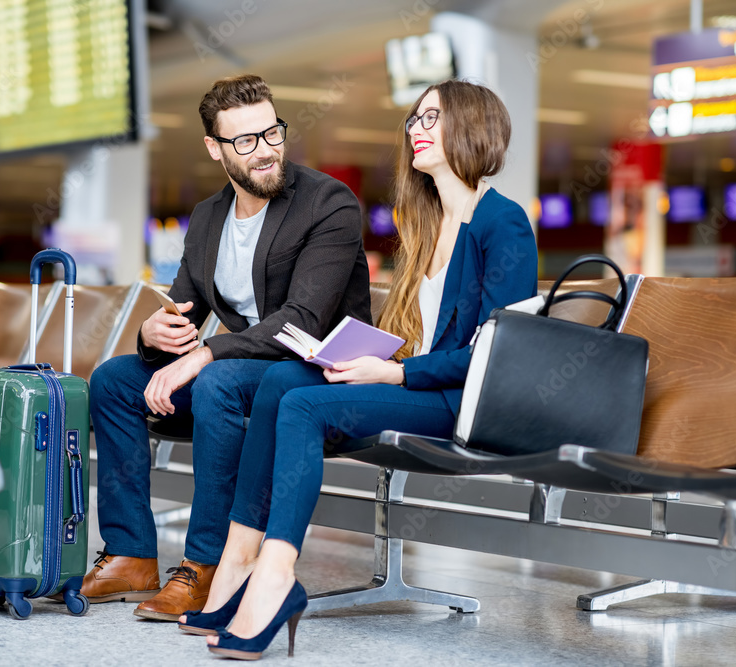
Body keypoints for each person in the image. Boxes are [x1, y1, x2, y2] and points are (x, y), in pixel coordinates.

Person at [183, 80, 538, 659]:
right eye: (414, 119)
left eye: (431, 118)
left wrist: (394, 374)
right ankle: (237, 560)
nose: (415, 130)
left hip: (460, 401)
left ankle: (275, 574)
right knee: (280, 380)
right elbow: (420, 337)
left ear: (472, 128)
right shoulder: (424, 226)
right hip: (418, 382)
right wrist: (370, 357)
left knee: (301, 402)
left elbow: (498, 353)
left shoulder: (504, 223)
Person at [80, 74, 372, 621]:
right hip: (238, 374)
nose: (263, 151)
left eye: (271, 134)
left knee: (216, 379)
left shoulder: (328, 203)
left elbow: (304, 321)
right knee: (114, 382)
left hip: (313, 375)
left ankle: (207, 566)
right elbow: (183, 309)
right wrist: (154, 334)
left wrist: (207, 353)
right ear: (215, 148)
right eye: (244, 141)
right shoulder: (208, 218)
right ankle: (131, 553)